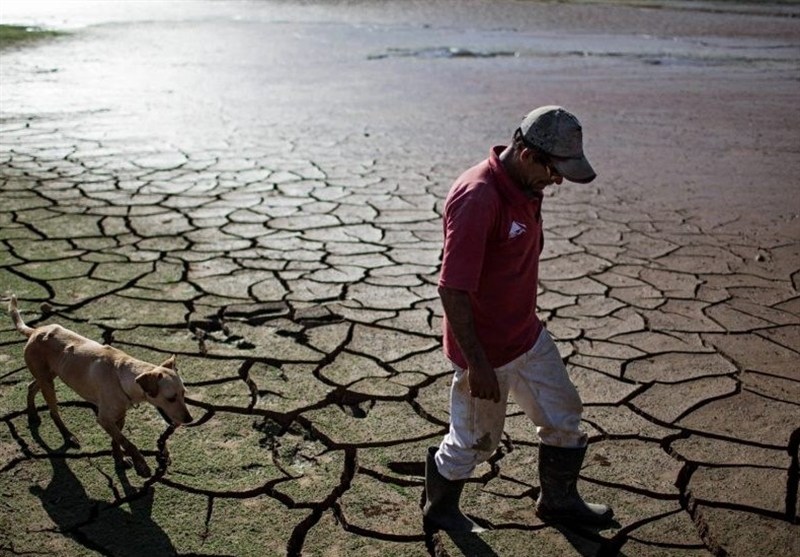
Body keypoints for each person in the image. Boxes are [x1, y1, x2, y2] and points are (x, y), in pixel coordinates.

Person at [423, 105, 613, 532]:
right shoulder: (478, 198)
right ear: (528, 155)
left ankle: (558, 502)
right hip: (486, 352)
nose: (558, 180)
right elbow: (452, 288)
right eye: (555, 169)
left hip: (527, 338)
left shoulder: (527, 187)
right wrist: (477, 364)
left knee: (565, 416)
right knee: (475, 444)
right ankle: (440, 509)